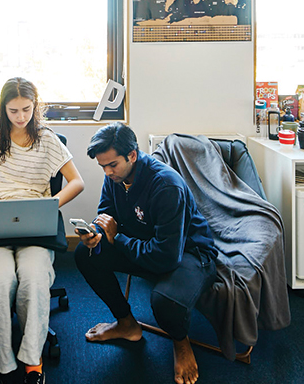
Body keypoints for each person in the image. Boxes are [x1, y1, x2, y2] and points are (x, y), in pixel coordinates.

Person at [75, 122, 218, 384]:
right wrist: (96, 233)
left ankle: (181, 342)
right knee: (85, 255)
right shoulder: (115, 177)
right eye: (102, 167)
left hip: (187, 253)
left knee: (165, 302)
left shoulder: (166, 186)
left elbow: (165, 256)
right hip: (144, 244)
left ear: (132, 155)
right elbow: (107, 213)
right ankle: (127, 324)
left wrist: (117, 238)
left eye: (112, 165)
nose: (107, 172)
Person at [0, 77, 84, 384]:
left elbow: (77, 181)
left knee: (33, 278)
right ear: (3, 109)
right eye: (13, 110)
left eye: (26, 109)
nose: (20, 116)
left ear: (35, 105)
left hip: (34, 219)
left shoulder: (46, 138)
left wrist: (50, 205)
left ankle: (33, 357)